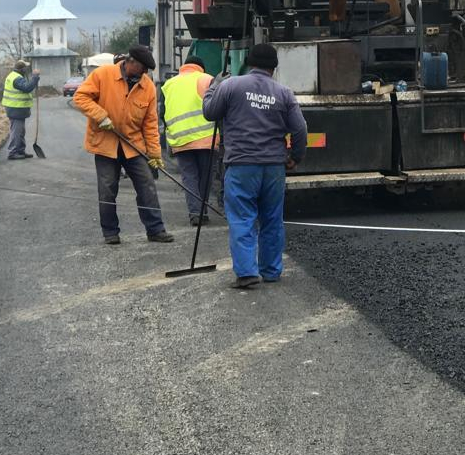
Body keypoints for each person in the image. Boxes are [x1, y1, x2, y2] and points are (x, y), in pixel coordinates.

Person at [202, 43, 307, 288]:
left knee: (242, 218)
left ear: (249, 62)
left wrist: (213, 86)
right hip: (273, 166)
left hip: (241, 165)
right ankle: (270, 271)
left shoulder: (230, 85)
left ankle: (247, 272)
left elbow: (209, 112)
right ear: (274, 67)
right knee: (272, 218)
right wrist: (296, 156)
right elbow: (300, 128)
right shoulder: (284, 93)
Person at [73, 44, 174, 245]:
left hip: (133, 145)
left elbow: (150, 123)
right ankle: (110, 232)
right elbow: (80, 97)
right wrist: (100, 116)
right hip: (105, 143)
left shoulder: (147, 87)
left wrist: (155, 154)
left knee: (147, 185)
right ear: (130, 62)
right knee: (108, 188)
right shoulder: (103, 75)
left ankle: (155, 229)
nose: (145, 73)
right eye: (142, 68)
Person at [161, 55, 218, 225]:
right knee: (206, 177)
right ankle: (202, 211)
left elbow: (162, 111)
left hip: (180, 138)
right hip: (206, 137)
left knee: (189, 176)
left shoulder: (168, 84)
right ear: (200, 67)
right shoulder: (207, 79)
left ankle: (195, 213)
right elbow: (217, 106)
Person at [2, 59, 40, 160]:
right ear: (22, 69)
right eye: (25, 68)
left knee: (20, 131)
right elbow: (27, 88)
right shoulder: (17, 79)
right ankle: (13, 152)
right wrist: (35, 77)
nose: (27, 69)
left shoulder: (14, 76)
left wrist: (34, 79)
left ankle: (20, 151)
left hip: (17, 108)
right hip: (15, 108)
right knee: (16, 131)